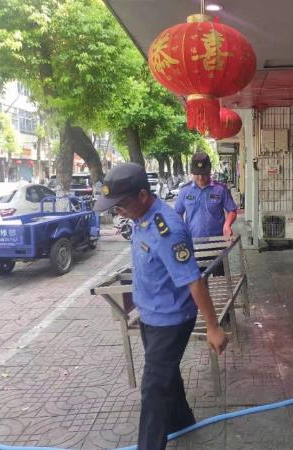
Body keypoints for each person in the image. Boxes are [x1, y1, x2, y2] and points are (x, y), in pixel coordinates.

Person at [93, 162, 228, 450]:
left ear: (143, 195)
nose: (118, 211)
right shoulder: (139, 217)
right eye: (115, 207)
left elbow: (194, 281)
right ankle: (182, 421)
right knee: (165, 372)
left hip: (171, 320)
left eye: (121, 204)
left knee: (153, 388)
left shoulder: (168, 231)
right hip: (151, 315)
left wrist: (213, 327)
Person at [175, 152, 237, 276]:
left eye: (204, 174)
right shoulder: (185, 191)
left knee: (220, 279)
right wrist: (180, 232)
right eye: (197, 174)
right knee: (198, 280)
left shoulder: (220, 189)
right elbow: (177, 213)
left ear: (209, 171)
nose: (200, 178)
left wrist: (227, 224)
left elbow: (232, 210)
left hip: (217, 243)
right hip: (193, 244)